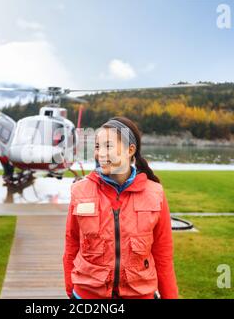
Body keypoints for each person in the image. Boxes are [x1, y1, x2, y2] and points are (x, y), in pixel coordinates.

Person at [63, 116, 178, 299]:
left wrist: (169, 296)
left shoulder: (155, 194)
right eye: (98, 147)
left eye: (108, 146)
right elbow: (71, 245)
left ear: (130, 150)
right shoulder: (80, 191)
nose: (100, 153)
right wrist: (71, 290)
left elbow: (163, 255)